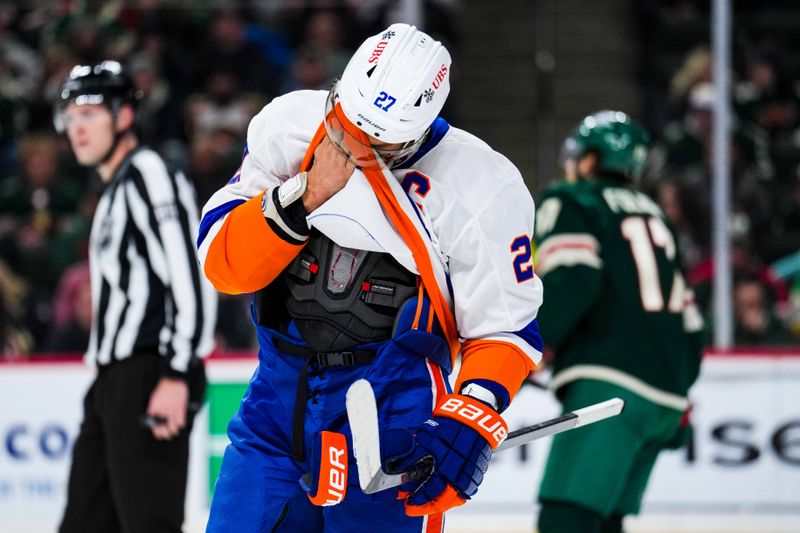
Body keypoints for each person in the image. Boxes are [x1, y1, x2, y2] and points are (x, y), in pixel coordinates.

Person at [198, 23, 543, 532]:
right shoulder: (290, 125)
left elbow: (505, 328)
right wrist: (306, 195)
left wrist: (471, 416)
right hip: (277, 403)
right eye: (347, 126)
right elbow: (224, 266)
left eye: (376, 143)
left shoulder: (483, 186)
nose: (355, 149)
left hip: (392, 416)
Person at [54, 60, 218, 533]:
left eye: (89, 113)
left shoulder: (147, 172)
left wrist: (176, 371)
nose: (76, 128)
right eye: (71, 116)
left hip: (148, 373)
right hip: (112, 382)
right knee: (84, 522)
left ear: (124, 116)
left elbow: (190, 274)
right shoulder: (113, 190)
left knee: (149, 522)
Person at [533, 111, 704, 533]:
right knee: (606, 521)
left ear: (590, 160)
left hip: (609, 388)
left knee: (565, 519)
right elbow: (692, 320)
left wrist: (530, 346)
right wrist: (679, 390)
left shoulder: (572, 200)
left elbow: (575, 279)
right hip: (666, 397)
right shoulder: (656, 216)